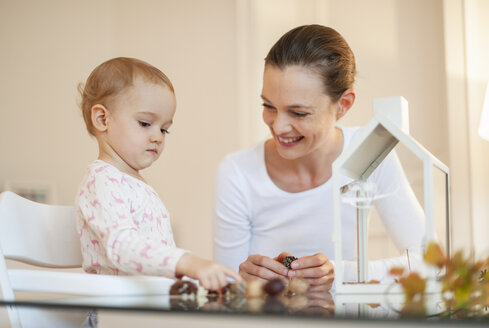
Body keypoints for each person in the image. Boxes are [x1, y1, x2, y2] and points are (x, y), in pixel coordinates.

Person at [213, 25, 425, 293]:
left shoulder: (372, 152)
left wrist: (340, 272)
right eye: (268, 106)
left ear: (344, 105)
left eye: (299, 113)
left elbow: (431, 264)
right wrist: (241, 281)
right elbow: (225, 290)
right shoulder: (237, 172)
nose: (278, 127)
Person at [76, 57, 241, 292]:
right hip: (115, 314)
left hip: (146, 307)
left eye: (164, 129)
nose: (158, 137)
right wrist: (187, 262)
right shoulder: (102, 179)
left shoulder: (133, 183)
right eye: (145, 123)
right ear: (103, 119)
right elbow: (121, 246)